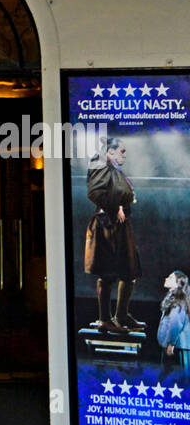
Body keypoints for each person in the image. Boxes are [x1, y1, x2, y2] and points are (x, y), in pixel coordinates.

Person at [84, 137, 142, 334]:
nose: (125, 155)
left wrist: (123, 204)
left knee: (129, 272)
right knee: (107, 274)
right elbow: (95, 193)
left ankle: (122, 315)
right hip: (107, 225)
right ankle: (105, 320)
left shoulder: (115, 170)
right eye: (121, 151)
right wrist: (115, 206)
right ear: (109, 152)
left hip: (120, 226)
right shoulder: (101, 167)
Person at [158, 271, 190, 371]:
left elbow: (176, 324)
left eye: (171, 278)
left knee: (182, 377)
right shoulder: (173, 299)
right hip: (175, 345)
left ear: (178, 284)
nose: (166, 278)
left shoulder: (179, 301)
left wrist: (171, 344)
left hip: (179, 346)